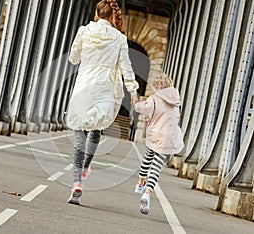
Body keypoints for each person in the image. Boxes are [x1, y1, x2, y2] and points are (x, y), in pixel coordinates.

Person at [66, 0, 139, 205]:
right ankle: (87, 165)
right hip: (106, 88)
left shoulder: (84, 31)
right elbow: (126, 66)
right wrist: (133, 90)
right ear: (111, 16)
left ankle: (76, 182)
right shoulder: (119, 38)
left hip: (85, 86)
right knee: (96, 129)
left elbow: (73, 58)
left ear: (97, 13)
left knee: (79, 131)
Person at [134, 73, 184, 214]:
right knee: (156, 166)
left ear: (157, 86)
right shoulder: (175, 101)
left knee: (147, 158)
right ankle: (148, 192)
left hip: (156, 135)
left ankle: (140, 183)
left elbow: (145, 109)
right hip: (169, 138)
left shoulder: (154, 99)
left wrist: (136, 104)